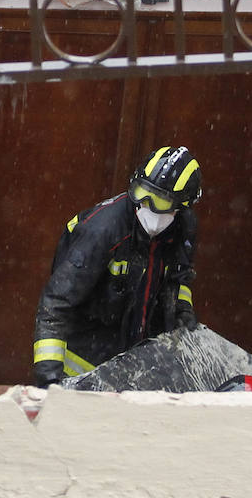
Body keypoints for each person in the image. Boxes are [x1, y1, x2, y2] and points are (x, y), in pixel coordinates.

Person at [33, 145, 201, 387]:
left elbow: (178, 279)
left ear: (183, 207)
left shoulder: (183, 230)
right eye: (142, 193)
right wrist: (49, 380)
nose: (147, 206)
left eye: (161, 201)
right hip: (84, 362)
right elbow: (55, 304)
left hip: (136, 364)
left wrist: (182, 310)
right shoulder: (103, 230)